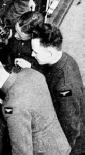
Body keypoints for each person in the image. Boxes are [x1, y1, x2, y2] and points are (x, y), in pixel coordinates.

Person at [0, 55, 71, 154]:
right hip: (60, 141)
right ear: (0, 66)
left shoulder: (12, 106)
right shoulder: (31, 72)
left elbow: (22, 150)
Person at [31, 24, 85, 154]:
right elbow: (50, 72)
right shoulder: (64, 58)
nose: (32, 54)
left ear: (49, 52)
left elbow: (70, 125)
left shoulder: (65, 87)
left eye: (36, 52)